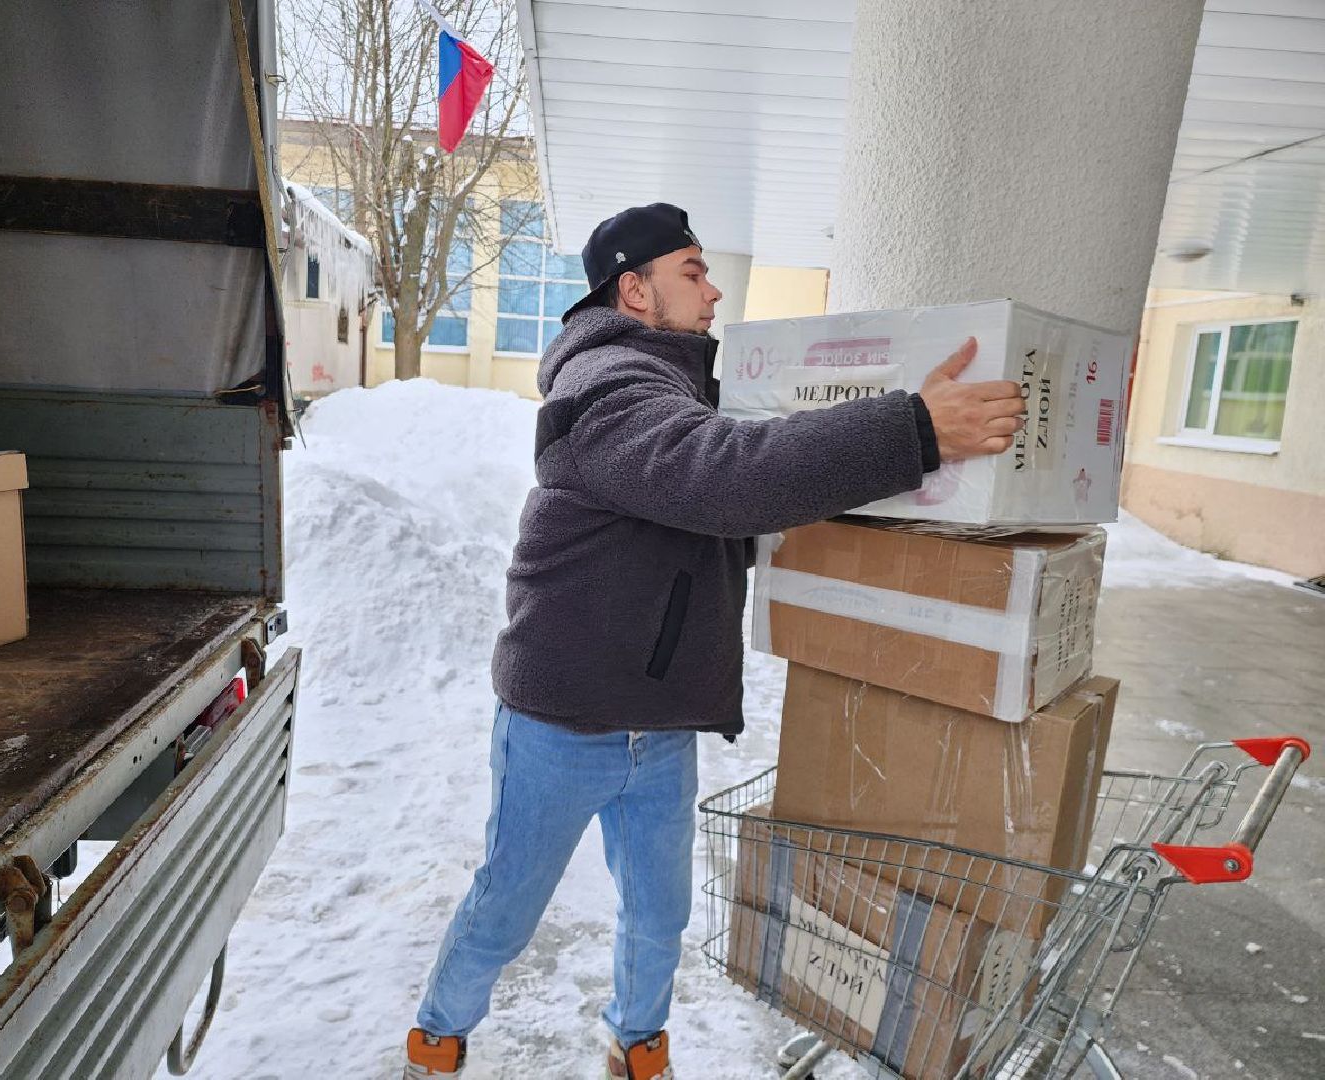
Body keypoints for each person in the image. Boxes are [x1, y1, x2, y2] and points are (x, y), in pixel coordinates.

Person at [402, 204, 1026, 1079]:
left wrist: (892, 423)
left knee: (658, 916)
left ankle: (636, 1040)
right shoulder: (606, 386)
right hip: (562, 722)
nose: (714, 286)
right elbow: (724, 476)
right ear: (635, 289)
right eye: (692, 269)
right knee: (506, 907)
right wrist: (914, 429)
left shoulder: (680, 386)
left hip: (657, 724)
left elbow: (762, 460)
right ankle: (438, 1033)